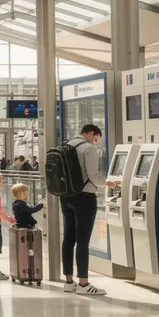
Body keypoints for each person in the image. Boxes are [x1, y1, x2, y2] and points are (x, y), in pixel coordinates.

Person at [58, 124, 111, 295]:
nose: (96, 143)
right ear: (89, 134)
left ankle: (68, 281)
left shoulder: (65, 146)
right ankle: (83, 284)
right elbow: (94, 176)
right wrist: (106, 182)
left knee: (68, 240)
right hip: (84, 198)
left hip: (66, 197)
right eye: (96, 139)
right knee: (83, 241)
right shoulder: (89, 149)